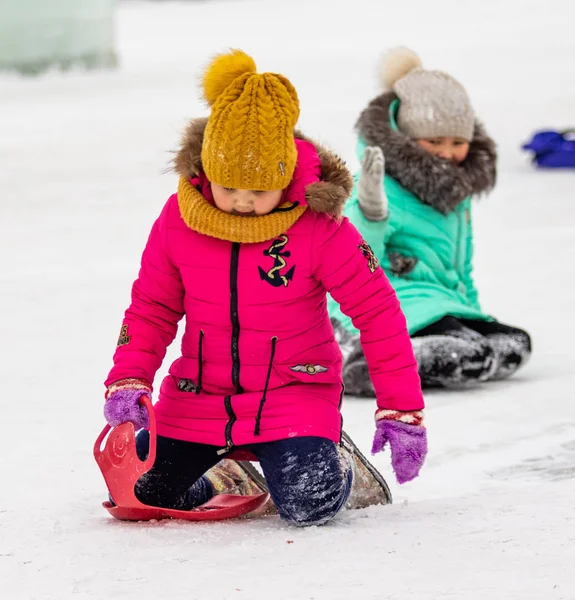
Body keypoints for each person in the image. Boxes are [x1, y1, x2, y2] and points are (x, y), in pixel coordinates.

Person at [103, 50, 426, 527]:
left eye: (258, 191)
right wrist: (129, 378)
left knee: (307, 506)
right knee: (143, 492)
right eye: (229, 186)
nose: (242, 203)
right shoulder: (179, 219)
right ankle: (226, 477)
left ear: (286, 176)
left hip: (294, 393)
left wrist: (400, 409)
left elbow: (377, 311)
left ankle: (336, 462)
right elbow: (151, 308)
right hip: (200, 395)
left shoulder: (320, 225)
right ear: (206, 169)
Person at [329, 47, 532, 395]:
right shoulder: (378, 186)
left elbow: (459, 265)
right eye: (434, 141)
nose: (447, 152)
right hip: (389, 304)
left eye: (458, 142)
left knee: (514, 343)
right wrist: (371, 214)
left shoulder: (454, 193)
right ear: (405, 138)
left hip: (439, 301)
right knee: (464, 348)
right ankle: (371, 362)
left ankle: (412, 357)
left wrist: (472, 314)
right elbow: (353, 261)